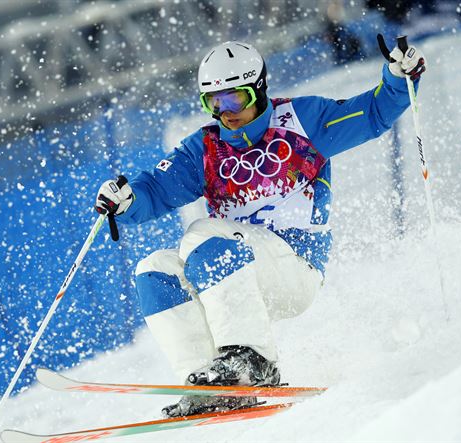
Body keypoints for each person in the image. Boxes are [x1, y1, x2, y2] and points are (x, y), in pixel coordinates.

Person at [95, 39, 425, 417]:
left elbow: (370, 114)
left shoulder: (303, 121)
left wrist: (399, 78)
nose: (225, 112)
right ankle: (206, 382)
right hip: (235, 274)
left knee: (204, 233)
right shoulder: (205, 149)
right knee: (154, 270)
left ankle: (254, 364)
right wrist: (127, 200)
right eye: (213, 103)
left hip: (293, 269)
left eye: (234, 99)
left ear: (259, 89)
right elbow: (154, 189)